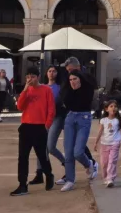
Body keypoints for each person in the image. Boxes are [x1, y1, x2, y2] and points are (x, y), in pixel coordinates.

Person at [11, 67, 56, 196]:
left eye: (33, 76)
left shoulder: (46, 90)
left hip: (40, 127)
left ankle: (48, 174)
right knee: (22, 157)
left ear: (38, 77)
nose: (30, 79)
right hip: (26, 127)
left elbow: (51, 109)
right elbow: (19, 106)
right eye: (28, 77)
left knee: (41, 155)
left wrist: (47, 125)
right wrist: (25, 90)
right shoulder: (27, 90)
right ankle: (22, 184)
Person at [60, 56, 97, 192]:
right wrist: (71, 89)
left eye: (73, 73)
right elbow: (66, 100)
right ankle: (70, 180)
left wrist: (79, 84)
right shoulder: (67, 84)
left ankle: (89, 164)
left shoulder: (87, 81)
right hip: (70, 117)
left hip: (84, 116)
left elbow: (89, 97)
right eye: (69, 73)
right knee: (68, 152)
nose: (71, 77)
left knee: (78, 151)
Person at [94, 100, 121, 188]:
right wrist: (96, 143)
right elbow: (100, 132)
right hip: (104, 144)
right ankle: (106, 177)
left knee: (112, 161)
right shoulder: (103, 120)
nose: (113, 108)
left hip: (115, 143)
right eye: (111, 106)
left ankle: (110, 178)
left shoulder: (118, 120)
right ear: (106, 109)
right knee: (104, 163)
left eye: (115, 106)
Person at [43, 66, 68, 177]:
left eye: (54, 71)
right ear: (46, 73)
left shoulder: (59, 87)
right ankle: (42, 172)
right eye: (49, 71)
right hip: (44, 119)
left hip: (57, 117)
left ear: (57, 73)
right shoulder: (42, 87)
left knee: (50, 147)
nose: (51, 73)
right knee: (43, 148)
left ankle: (66, 163)